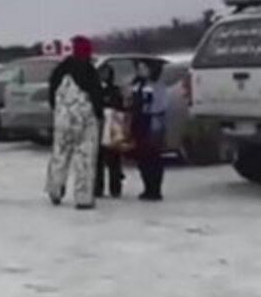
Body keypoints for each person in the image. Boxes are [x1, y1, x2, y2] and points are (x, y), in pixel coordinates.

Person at [44, 36, 102, 209]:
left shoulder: (60, 70)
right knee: (85, 158)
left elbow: (51, 94)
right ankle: (83, 197)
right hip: (85, 119)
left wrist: (58, 111)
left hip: (63, 119)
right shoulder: (89, 71)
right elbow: (96, 95)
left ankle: (54, 189)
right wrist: (98, 114)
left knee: (59, 155)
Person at [130, 60, 169, 201]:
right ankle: (147, 187)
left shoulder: (157, 85)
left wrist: (146, 108)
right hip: (139, 123)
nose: (140, 71)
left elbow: (161, 105)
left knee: (153, 157)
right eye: (138, 68)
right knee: (142, 158)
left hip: (152, 123)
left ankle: (155, 189)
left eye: (143, 68)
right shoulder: (137, 84)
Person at [95, 64, 126, 199]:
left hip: (113, 126)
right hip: (99, 127)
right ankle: (98, 188)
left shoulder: (115, 90)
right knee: (98, 159)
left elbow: (120, 107)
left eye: (107, 74)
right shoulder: (95, 90)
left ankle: (115, 187)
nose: (104, 77)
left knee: (113, 159)